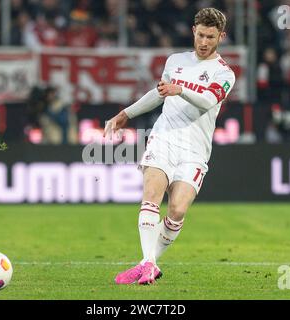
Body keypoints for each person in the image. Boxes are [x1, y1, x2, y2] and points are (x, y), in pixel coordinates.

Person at [104, 7, 236, 285]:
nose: (204, 42)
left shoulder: (224, 73)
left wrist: (181, 90)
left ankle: (146, 262)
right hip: (164, 137)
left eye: (211, 37)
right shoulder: (175, 61)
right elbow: (159, 93)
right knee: (151, 195)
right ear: (193, 31)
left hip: (195, 149)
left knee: (176, 210)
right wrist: (125, 114)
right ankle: (149, 264)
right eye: (200, 35)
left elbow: (208, 101)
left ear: (221, 36)